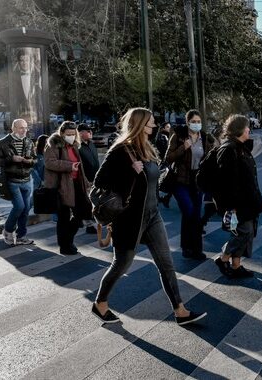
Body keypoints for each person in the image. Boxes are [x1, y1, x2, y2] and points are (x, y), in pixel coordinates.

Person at [92, 107, 206, 325]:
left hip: (153, 216)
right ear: (139, 124)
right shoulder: (120, 151)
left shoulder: (148, 148)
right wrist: (129, 171)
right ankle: (100, 303)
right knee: (121, 264)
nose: (154, 125)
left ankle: (180, 311)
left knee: (166, 264)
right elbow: (99, 183)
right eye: (151, 122)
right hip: (129, 220)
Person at [214, 115, 262, 278]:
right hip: (238, 203)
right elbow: (227, 182)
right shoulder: (229, 149)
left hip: (247, 200)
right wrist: (232, 207)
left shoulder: (240, 147)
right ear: (240, 130)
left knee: (248, 233)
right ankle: (223, 259)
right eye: (247, 127)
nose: (249, 129)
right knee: (244, 232)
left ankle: (236, 265)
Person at [165, 109, 214, 260]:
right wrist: (183, 147)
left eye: (199, 122)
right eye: (194, 122)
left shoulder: (204, 137)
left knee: (194, 215)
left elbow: (208, 158)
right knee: (189, 211)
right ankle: (187, 247)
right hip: (180, 181)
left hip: (197, 181)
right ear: (187, 122)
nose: (197, 124)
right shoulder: (178, 136)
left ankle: (195, 249)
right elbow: (168, 158)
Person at [44, 121, 92, 255]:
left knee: (83, 212)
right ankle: (65, 246)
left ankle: (68, 240)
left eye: (73, 133)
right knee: (63, 218)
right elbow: (49, 163)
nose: (71, 136)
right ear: (62, 133)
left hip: (76, 183)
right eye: (68, 134)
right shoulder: (53, 143)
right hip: (61, 185)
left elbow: (80, 166)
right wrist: (68, 166)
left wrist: (86, 183)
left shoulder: (75, 145)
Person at [0, 119, 36, 246]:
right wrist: (11, 159)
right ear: (13, 128)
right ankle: (8, 231)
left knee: (26, 209)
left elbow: (35, 159)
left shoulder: (29, 141)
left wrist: (29, 161)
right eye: (21, 128)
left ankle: (21, 236)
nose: (24, 130)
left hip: (27, 180)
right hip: (11, 180)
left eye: (25, 128)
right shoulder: (2, 143)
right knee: (19, 207)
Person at [77, 123, 100, 234]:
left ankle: (85, 220)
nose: (91, 133)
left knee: (91, 201)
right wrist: (84, 179)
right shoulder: (78, 146)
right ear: (81, 133)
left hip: (95, 178)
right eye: (88, 131)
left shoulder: (91, 144)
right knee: (86, 202)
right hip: (85, 179)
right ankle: (88, 225)